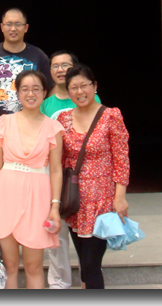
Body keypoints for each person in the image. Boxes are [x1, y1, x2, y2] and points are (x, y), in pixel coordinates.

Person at [0, 70, 63, 289]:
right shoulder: (4, 122)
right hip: (5, 194)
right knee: (9, 265)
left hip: (38, 197)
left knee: (34, 266)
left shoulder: (53, 127)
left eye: (36, 89)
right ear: (17, 93)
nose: (30, 94)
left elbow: (56, 170)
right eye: (25, 89)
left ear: (45, 92)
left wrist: (55, 206)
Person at [57, 64, 130, 290]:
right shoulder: (63, 119)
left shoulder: (110, 116)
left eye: (84, 86)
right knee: (84, 262)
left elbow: (121, 159)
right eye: (73, 87)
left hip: (102, 202)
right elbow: (59, 160)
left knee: (91, 264)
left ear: (94, 86)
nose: (80, 92)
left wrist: (120, 197)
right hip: (74, 202)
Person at [39, 50, 99, 290]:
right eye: (55, 66)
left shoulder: (89, 97)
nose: (60, 70)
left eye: (65, 65)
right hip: (55, 173)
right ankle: (59, 282)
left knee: (88, 233)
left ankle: (89, 278)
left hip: (87, 176)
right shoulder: (46, 104)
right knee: (57, 230)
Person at [0, 8, 52, 133]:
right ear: (2, 27)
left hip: (32, 127)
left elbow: (50, 90)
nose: (13, 29)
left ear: (26, 28)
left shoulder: (39, 56)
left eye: (18, 24)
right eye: (9, 24)